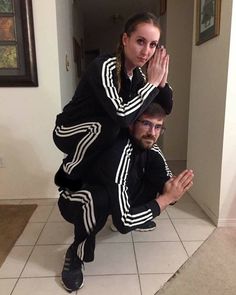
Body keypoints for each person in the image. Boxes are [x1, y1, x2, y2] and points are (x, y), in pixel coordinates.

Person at [57, 102, 194, 292]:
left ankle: (126, 211)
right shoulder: (118, 151)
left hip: (110, 189)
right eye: (146, 124)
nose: (152, 132)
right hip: (75, 199)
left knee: (152, 177)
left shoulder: (152, 149)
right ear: (131, 125)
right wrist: (165, 199)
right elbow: (124, 223)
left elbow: (168, 184)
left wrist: (172, 190)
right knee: (99, 199)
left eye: (157, 126)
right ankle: (76, 253)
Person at [53, 12, 173, 188]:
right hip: (68, 131)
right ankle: (68, 172)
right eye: (140, 41)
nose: (146, 51)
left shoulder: (138, 75)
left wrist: (162, 82)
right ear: (125, 39)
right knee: (114, 126)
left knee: (127, 132)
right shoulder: (104, 66)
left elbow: (164, 108)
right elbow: (123, 116)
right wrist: (152, 83)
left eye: (153, 45)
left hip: (99, 132)